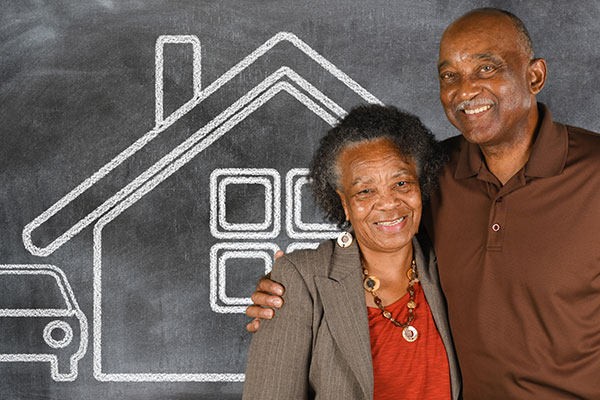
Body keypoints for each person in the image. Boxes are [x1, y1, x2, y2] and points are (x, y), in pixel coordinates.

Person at [246, 8, 600, 399]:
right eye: (450, 76)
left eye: (486, 68)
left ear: (534, 76)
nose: (465, 91)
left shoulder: (593, 173)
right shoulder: (437, 173)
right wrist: (289, 288)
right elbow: (377, 236)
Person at [243, 105, 461, 400]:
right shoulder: (301, 280)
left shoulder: (448, 267)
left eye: (401, 183)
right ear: (344, 203)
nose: (388, 203)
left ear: (420, 187)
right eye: (365, 191)